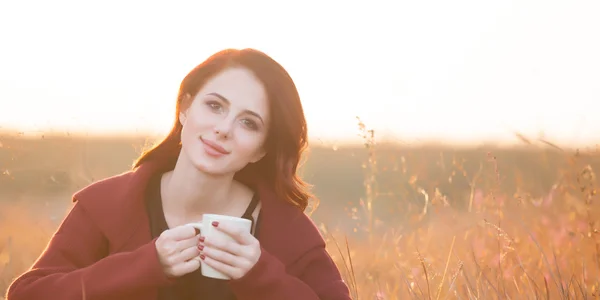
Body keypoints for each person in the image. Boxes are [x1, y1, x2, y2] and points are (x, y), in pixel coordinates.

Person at [6, 48, 352, 300]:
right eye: (214, 106)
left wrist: (260, 275)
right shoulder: (108, 206)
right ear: (185, 108)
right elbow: (26, 295)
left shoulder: (285, 228)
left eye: (249, 123)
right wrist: (145, 265)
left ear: (262, 149)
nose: (223, 129)